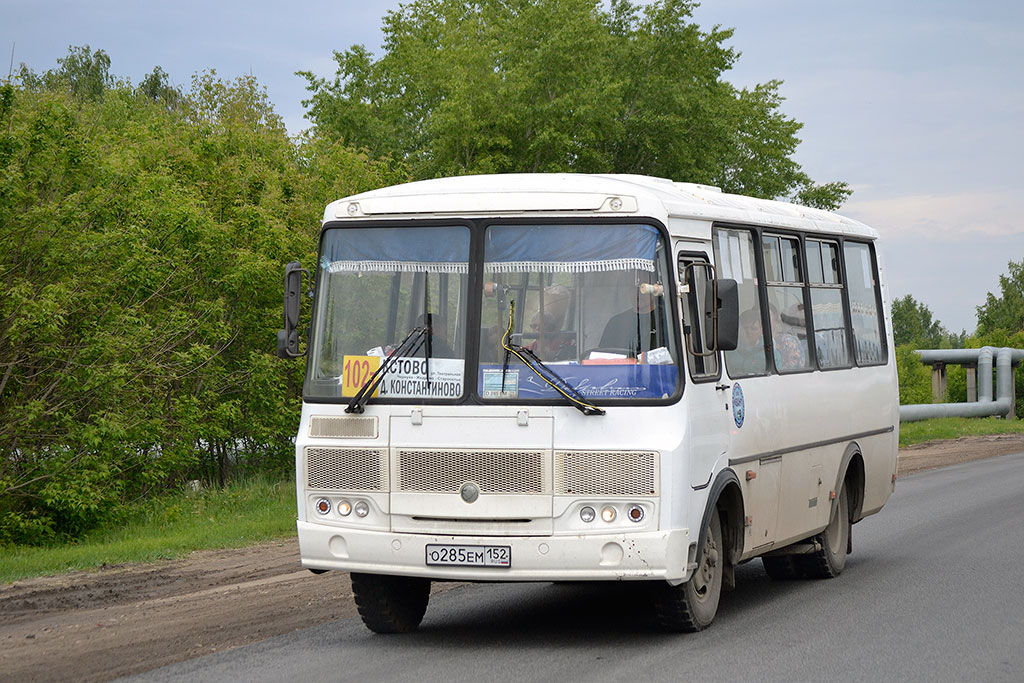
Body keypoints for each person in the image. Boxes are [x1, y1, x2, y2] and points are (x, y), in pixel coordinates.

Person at [599, 286, 664, 358]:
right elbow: (603, 358)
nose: (638, 293)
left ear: (655, 290)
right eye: (634, 288)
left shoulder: (668, 319)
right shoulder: (616, 322)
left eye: (643, 288)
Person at [727, 307, 767, 375]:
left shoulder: (770, 353)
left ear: (761, 330)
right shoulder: (729, 351)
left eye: (753, 329)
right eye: (745, 328)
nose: (748, 332)